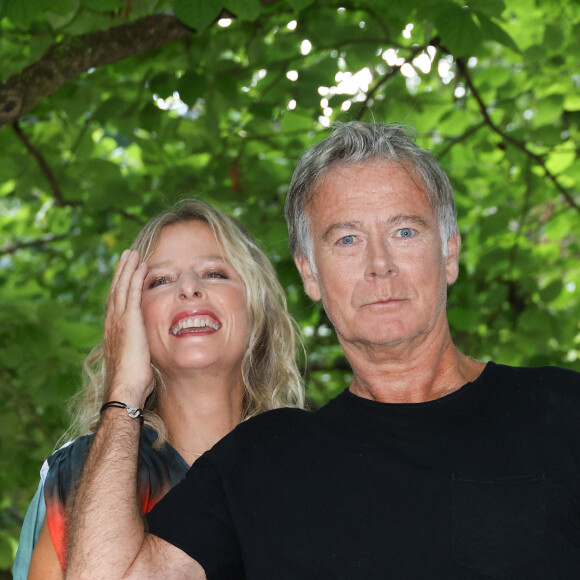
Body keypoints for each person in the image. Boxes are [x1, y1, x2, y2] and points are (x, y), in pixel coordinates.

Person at [67, 122, 580, 579]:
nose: (380, 264)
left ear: (449, 253)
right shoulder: (261, 461)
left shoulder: (561, 409)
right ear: (310, 274)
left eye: (404, 231)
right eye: (347, 240)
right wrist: (125, 388)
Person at [13, 199, 305, 579]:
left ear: (257, 307)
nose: (189, 288)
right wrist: (123, 389)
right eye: (160, 281)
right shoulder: (86, 471)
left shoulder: (309, 465)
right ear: (129, 320)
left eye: (214, 273)